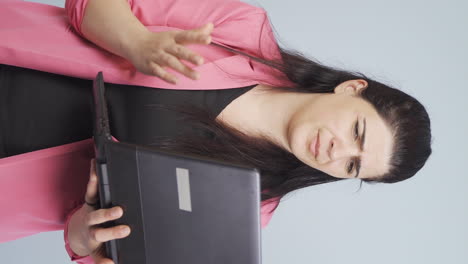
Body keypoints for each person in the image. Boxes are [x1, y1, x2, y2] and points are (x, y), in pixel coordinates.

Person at [0, 0, 432, 263]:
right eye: (356, 130)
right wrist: (136, 41)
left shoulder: (246, 208)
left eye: (353, 166)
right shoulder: (242, 32)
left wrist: (84, 231)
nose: (338, 152)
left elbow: (97, 250)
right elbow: (91, 4)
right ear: (352, 89)